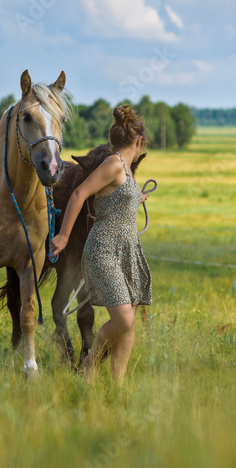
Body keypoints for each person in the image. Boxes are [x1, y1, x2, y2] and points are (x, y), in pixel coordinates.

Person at [50, 104, 152, 385]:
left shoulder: (126, 170)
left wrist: (136, 198)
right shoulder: (114, 164)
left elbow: (116, 194)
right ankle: (89, 363)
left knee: (128, 323)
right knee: (124, 321)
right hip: (104, 252)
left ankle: (117, 387)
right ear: (139, 141)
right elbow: (79, 194)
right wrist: (64, 236)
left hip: (126, 252)